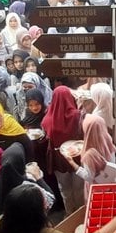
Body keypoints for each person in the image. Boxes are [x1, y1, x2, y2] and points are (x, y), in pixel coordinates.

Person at [42, 86, 84, 214]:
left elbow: (45, 134)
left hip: (58, 159)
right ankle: (81, 214)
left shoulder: (47, 119)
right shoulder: (77, 115)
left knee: (64, 189)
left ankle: (69, 213)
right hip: (77, 156)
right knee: (79, 188)